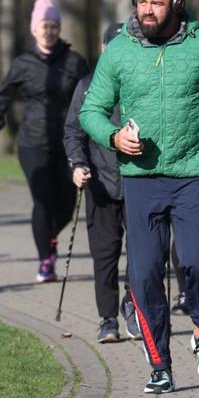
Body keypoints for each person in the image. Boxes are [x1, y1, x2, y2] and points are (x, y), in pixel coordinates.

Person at [79, 0, 199, 394]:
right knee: (143, 276)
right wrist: (113, 135)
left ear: (175, 2)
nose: (147, 10)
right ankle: (159, 363)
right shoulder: (119, 51)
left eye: (156, 3)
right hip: (140, 181)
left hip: (194, 174)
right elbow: (92, 110)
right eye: (141, 1)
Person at [0, 0, 89, 282]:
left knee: (66, 203)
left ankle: (47, 238)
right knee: (42, 200)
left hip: (66, 142)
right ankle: (45, 261)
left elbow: (92, 98)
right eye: (43, 26)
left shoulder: (74, 62)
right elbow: (2, 100)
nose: (48, 31)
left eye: (53, 25)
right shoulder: (23, 63)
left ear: (58, 28)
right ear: (33, 29)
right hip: (32, 142)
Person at [63, 22, 140, 343]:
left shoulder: (143, 82)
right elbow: (73, 132)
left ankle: (133, 306)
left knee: (143, 255)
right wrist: (78, 165)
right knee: (104, 255)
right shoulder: (87, 85)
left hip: (139, 183)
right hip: (101, 185)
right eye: (115, 46)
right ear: (105, 49)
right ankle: (107, 318)